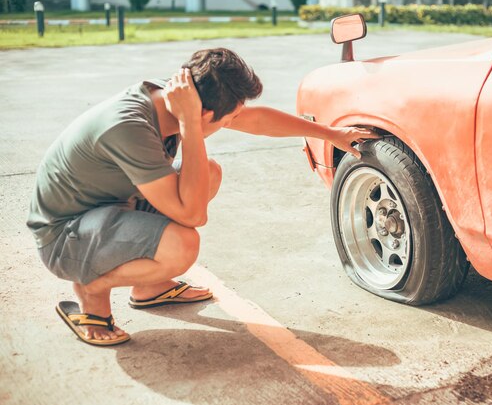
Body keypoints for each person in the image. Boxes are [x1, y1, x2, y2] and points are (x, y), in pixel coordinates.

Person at [26, 48, 379, 346]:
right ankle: (92, 291)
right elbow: (191, 214)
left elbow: (255, 120)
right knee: (181, 244)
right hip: (65, 236)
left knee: (206, 171)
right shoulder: (129, 127)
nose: (236, 121)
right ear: (205, 114)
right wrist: (191, 129)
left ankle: (149, 287)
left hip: (111, 209)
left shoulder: (177, 97)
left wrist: (330, 133)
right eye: (230, 117)